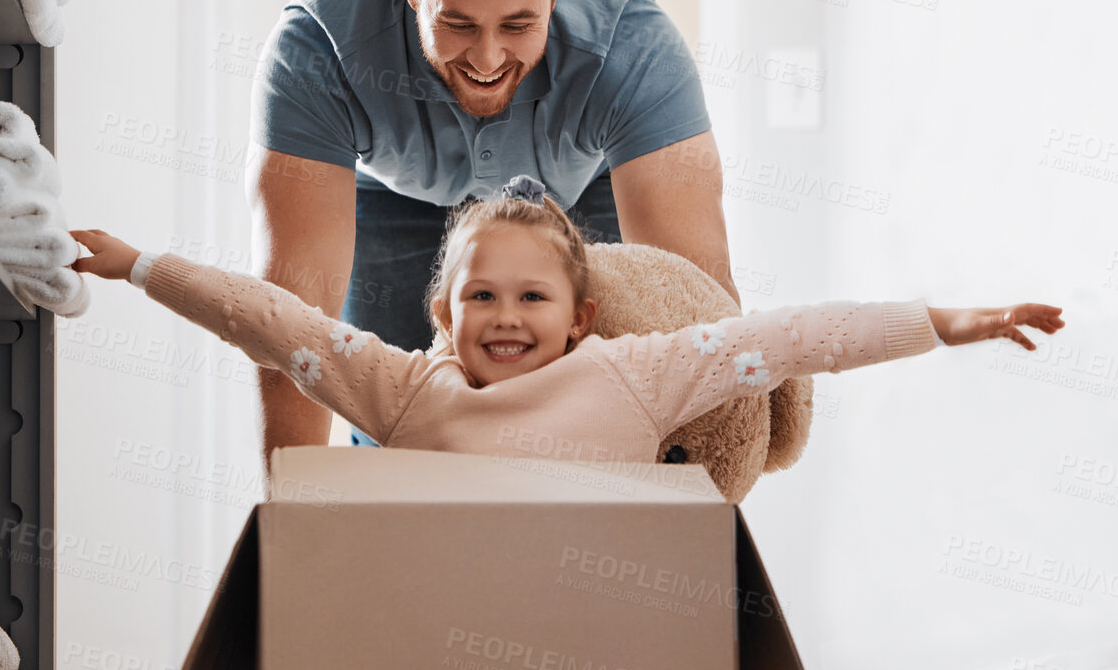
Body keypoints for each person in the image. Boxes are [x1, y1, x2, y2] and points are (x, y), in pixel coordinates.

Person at [246, 0, 737, 466]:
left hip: (585, 186)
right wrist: (289, 522)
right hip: (393, 195)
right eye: (457, 25)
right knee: (392, 420)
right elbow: (291, 323)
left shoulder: (632, 51)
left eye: (517, 25)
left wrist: (700, 523)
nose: (487, 56)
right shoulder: (316, 50)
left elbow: (697, 313)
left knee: (602, 399)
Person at [69, 175, 1063, 466]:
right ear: (442, 314)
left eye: (532, 296)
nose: (505, 315)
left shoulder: (637, 373)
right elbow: (272, 319)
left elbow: (798, 335)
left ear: (581, 316)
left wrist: (945, 319)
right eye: (481, 295)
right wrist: (141, 265)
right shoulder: (408, 388)